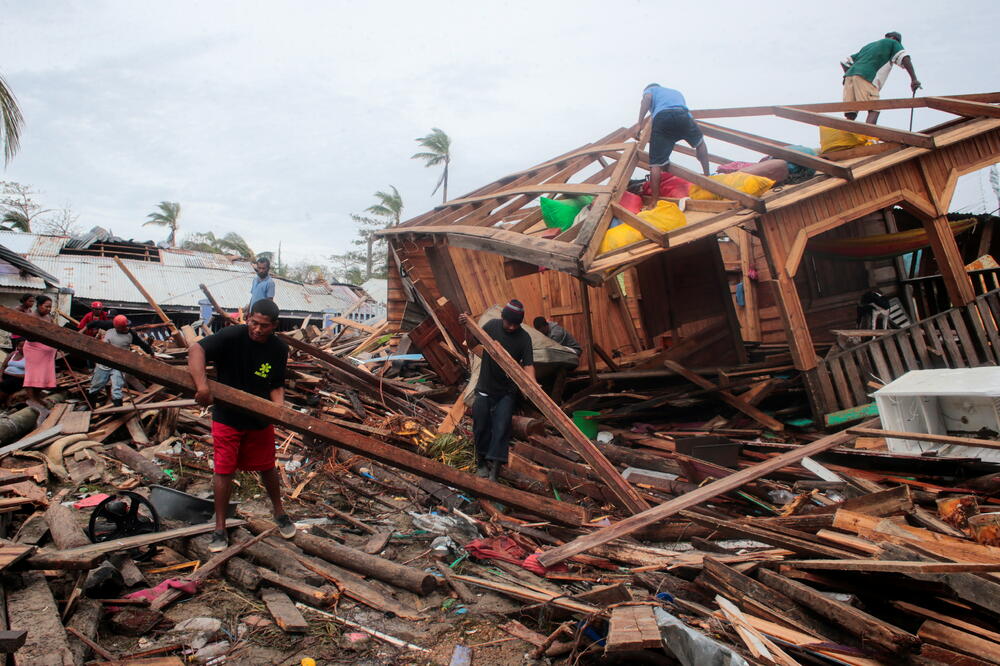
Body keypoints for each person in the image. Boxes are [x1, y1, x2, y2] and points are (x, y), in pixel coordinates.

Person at [188, 298, 294, 552]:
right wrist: (202, 386)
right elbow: (196, 350)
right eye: (254, 323)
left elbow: (276, 385)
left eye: (264, 326)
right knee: (224, 470)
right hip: (227, 417)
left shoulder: (278, 349)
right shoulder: (232, 336)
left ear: (274, 326)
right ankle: (220, 528)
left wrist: (277, 409)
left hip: (259, 419)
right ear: (248, 318)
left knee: (267, 467)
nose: (257, 330)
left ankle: (279, 513)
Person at [459, 300, 534, 481]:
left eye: (516, 324)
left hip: (507, 392)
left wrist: (532, 385)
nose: (511, 327)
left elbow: (529, 365)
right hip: (485, 388)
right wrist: (468, 327)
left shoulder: (524, 338)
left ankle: (496, 469)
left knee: (502, 428)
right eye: (509, 322)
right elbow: (471, 344)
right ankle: (481, 462)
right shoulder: (492, 326)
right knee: (481, 425)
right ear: (502, 317)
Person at [636, 83, 710, 208]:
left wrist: (639, 124)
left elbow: (647, 99)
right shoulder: (676, 92)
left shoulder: (650, 90)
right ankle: (708, 177)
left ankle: (654, 201)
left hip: (662, 118)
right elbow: (687, 113)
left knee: (655, 163)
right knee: (700, 143)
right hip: (683, 116)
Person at [841, 32, 920, 124]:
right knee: (875, 108)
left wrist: (852, 75)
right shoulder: (893, 43)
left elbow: (845, 62)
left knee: (851, 113)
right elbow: (904, 57)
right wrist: (914, 79)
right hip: (867, 76)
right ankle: (869, 137)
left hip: (849, 77)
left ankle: (847, 136)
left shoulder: (869, 46)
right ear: (895, 38)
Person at [86, 315, 154, 407]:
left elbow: (143, 344)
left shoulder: (131, 334)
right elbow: (95, 323)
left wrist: (151, 353)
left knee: (117, 387)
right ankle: (90, 407)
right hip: (104, 362)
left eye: (121, 328)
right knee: (96, 385)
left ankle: (118, 410)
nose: (118, 330)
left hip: (119, 364)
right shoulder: (110, 326)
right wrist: (84, 329)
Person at [22, 295, 58, 412]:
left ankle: (37, 397)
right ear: (39, 305)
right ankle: (31, 398)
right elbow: (28, 334)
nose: (48, 309)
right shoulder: (31, 316)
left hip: (46, 350)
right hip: (33, 348)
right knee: (32, 374)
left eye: (50, 307)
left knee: (42, 375)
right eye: (46, 306)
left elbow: (54, 331)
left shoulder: (49, 317)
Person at [0, 336, 27, 406]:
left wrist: (10, 374)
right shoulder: (13, 353)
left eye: (25, 346)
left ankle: (3, 401)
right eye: (20, 346)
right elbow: (3, 366)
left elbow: (27, 375)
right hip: (6, 375)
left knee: (5, 384)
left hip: (18, 379)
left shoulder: (29, 357)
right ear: (17, 346)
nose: (22, 348)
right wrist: (0, 376)